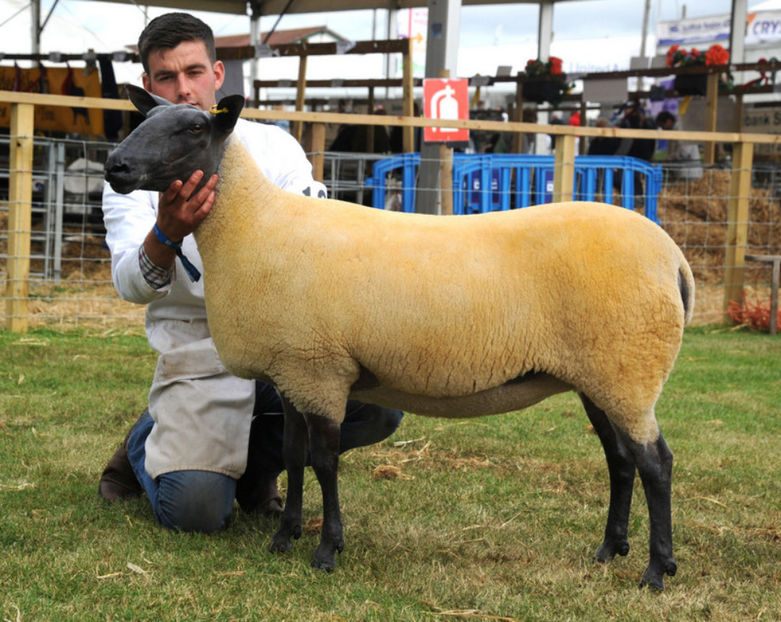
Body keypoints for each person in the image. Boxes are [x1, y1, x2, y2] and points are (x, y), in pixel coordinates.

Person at [98, 12, 403, 533]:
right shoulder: (137, 171)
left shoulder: (273, 149)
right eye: (167, 78)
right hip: (200, 354)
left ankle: (257, 468)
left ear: (218, 76)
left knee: (379, 405)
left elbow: (316, 235)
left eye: (194, 72)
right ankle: (144, 444)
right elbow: (129, 283)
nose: (184, 90)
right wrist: (165, 235)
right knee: (194, 513)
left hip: (280, 346)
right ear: (148, 87)